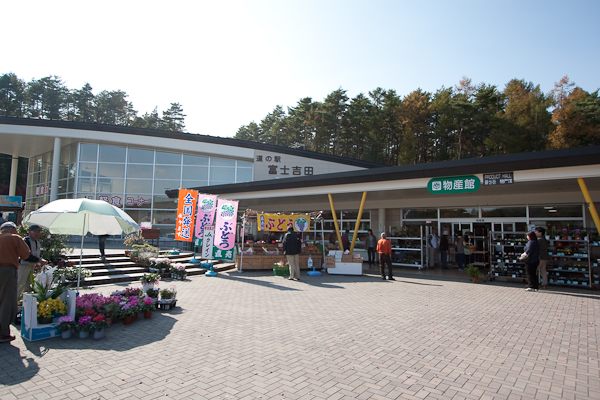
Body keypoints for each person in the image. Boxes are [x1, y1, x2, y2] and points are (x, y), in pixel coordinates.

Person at [0, 222, 38, 343]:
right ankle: (3, 333)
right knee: (7, 301)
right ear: (12, 229)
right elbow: (26, 255)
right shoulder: (14, 238)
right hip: (7, 270)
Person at [18, 225, 46, 298]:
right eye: (35, 232)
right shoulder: (26, 241)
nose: (37, 233)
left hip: (31, 265)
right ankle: (13, 303)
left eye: (38, 232)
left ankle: (25, 302)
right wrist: (39, 260)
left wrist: (37, 262)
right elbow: (26, 256)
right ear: (29, 232)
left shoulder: (36, 242)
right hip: (23, 265)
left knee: (29, 285)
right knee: (20, 284)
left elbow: (35, 254)